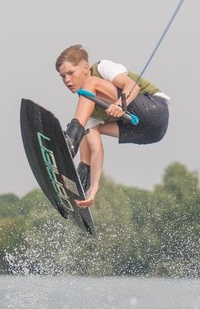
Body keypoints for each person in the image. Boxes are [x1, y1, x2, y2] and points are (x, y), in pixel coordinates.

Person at [55, 44, 170, 208]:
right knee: (88, 131)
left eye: (71, 73)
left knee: (91, 85)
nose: (67, 80)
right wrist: (94, 187)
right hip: (149, 134)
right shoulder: (88, 109)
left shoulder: (102, 68)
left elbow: (132, 85)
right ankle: (83, 178)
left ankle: (70, 139)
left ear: (86, 68)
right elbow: (97, 150)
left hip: (155, 109)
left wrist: (120, 104)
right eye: (62, 76)